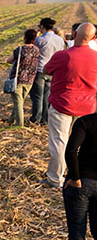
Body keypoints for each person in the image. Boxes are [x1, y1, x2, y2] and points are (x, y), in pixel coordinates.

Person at [42, 23, 97, 188]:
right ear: (94, 38)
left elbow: (46, 70)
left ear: (73, 34)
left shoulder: (62, 56)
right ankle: (79, 175)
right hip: (87, 108)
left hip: (62, 105)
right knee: (81, 144)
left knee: (59, 142)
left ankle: (54, 179)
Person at [61, 111, 97, 240]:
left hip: (81, 183)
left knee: (77, 233)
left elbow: (71, 151)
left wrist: (75, 177)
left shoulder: (85, 122)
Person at [29, 17, 65, 125]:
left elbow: (32, 51)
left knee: (37, 97)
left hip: (40, 70)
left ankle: (36, 119)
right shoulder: (59, 39)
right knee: (47, 96)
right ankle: (45, 119)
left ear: (42, 27)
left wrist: (36, 34)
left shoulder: (40, 40)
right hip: (53, 71)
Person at [6, 29, 40, 127]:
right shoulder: (37, 50)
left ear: (24, 38)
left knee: (18, 103)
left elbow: (9, 60)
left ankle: (19, 124)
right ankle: (11, 120)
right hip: (30, 79)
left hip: (18, 79)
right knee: (20, 101)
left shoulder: (20, 49)